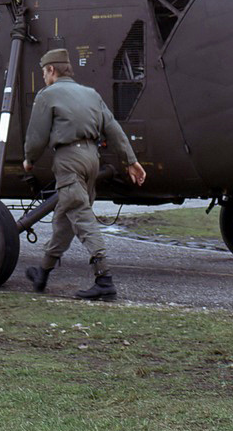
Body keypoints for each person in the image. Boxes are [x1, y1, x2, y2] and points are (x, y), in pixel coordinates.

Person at [22, 48, 147, 299]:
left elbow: (36, 135)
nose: (44, 78)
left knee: (79, 214)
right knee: (64, 218)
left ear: (51, 70)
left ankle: (104, 279)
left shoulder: (48, 95)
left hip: (68, 159)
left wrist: (30, 159)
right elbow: (113, 129)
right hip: (92, 159)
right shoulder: (91, 94)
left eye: (44, 72)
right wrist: (130, 161)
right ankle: (42, 273)